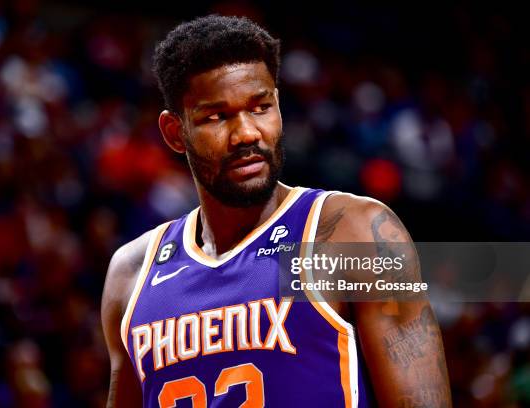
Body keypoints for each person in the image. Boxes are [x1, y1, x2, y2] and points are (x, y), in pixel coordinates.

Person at [101, 15, 452, 407]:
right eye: (216, 117)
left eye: (260, 107)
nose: (247, 133)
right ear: (174, 132)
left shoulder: (349, 232)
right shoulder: (132, 273)